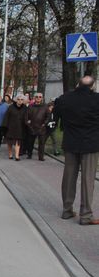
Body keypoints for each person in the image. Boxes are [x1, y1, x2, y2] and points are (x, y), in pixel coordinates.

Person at [54, 75, 99, 225]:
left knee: (68, 177)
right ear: (93, 86)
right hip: (91, 144)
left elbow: (56, 115)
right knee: (88, 179)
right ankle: (85, 215)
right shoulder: (97, 99)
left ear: (77, 84)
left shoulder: (64, 98)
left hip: (70, 142)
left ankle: (67, 210)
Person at [1, 94, 27, 161]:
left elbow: (27, 117)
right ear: (16, 100)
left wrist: (27, 123)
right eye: (18, 99)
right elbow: (6, 117)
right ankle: (10, 154)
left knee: (18, 142)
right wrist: (5, 126)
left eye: (21, 99)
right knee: (10, 142)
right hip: (11, 127)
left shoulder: (25, 108)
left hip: (20, 127)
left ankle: (17, 156)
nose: (20, 101)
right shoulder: (11, 107)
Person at [25, 92, 48, 160]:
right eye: (37, 97)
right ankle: (29, 154)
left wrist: (45, 123)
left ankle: (41, 157)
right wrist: (28, 123)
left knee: (41, 143)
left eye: (40, 97)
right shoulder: (30, 106)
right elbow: (26, 116)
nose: (38, 98)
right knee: (30, 142)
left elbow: (48, 116)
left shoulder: (45, 107)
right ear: (34, 98)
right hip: (32, 127)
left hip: (41, 128)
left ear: (42, 98)